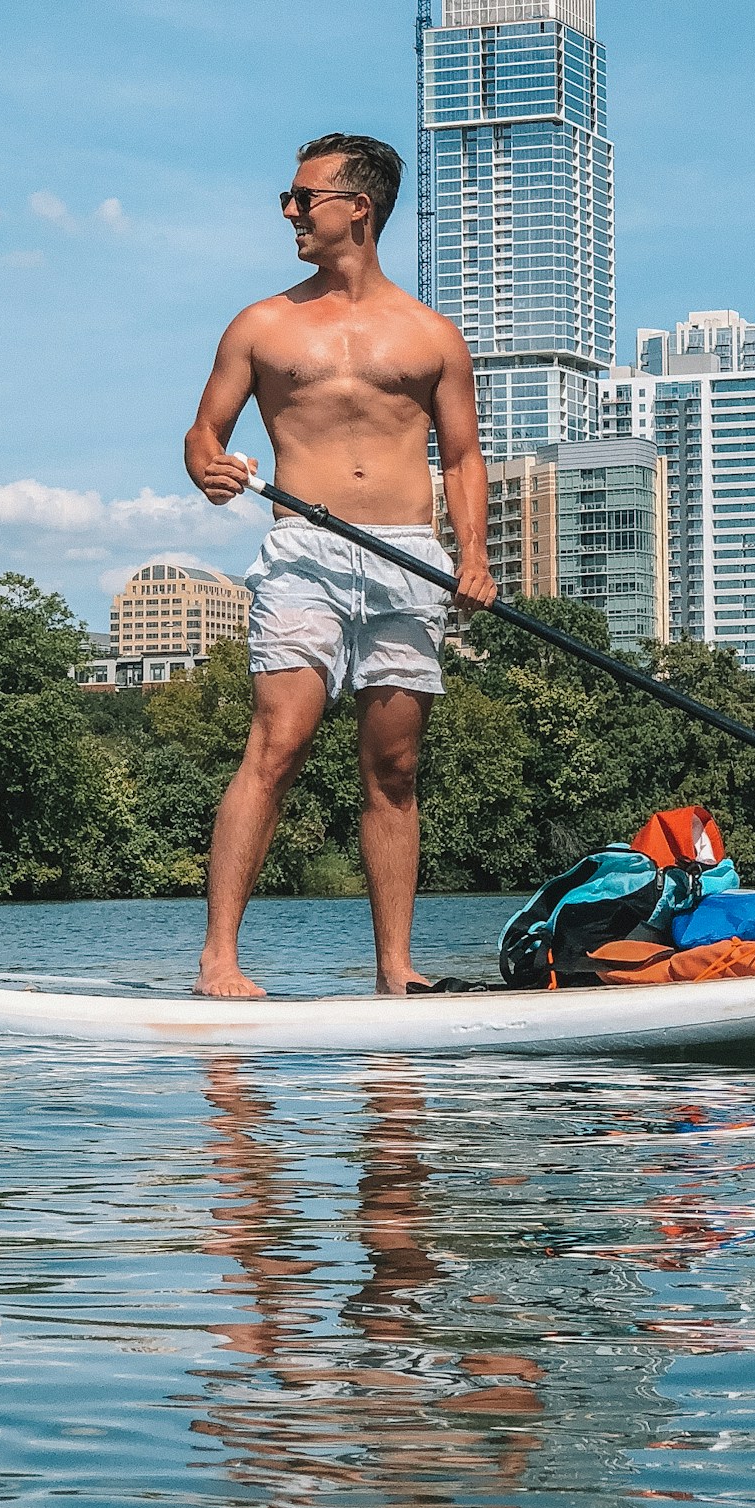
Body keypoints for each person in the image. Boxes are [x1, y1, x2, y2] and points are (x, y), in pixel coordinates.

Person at [184, 132, 496, 998]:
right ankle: (220, 961)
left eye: (302, 195)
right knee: (277, 744)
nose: (288, 210)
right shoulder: (263, 324)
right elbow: (204, 432)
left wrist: (475, 558)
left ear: (357, 207)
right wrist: (206, 463)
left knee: (394, 769)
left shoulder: (432, 334)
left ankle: (395, 969)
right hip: (305, 554)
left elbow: (465, 459)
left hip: (409, 560)